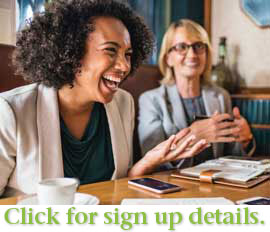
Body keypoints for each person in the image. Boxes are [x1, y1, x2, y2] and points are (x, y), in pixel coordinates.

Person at [0, 1, 208, 197]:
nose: (125, 66)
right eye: (111, 50)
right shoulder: (11, 111)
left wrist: (144, 164)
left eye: (127, 54)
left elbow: (114, 186)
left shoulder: (123, 103)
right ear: (71, 52)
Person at [138, 19, 255, 169]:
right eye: (181, 47)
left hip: (215, 183)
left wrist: (245, 140)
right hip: (173, 186)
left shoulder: (221, 96)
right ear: (168, 58)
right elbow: (151, 160)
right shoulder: (151, 100)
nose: (192, 54)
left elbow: (232, 156)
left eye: (198, 46)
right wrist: (193, 136)